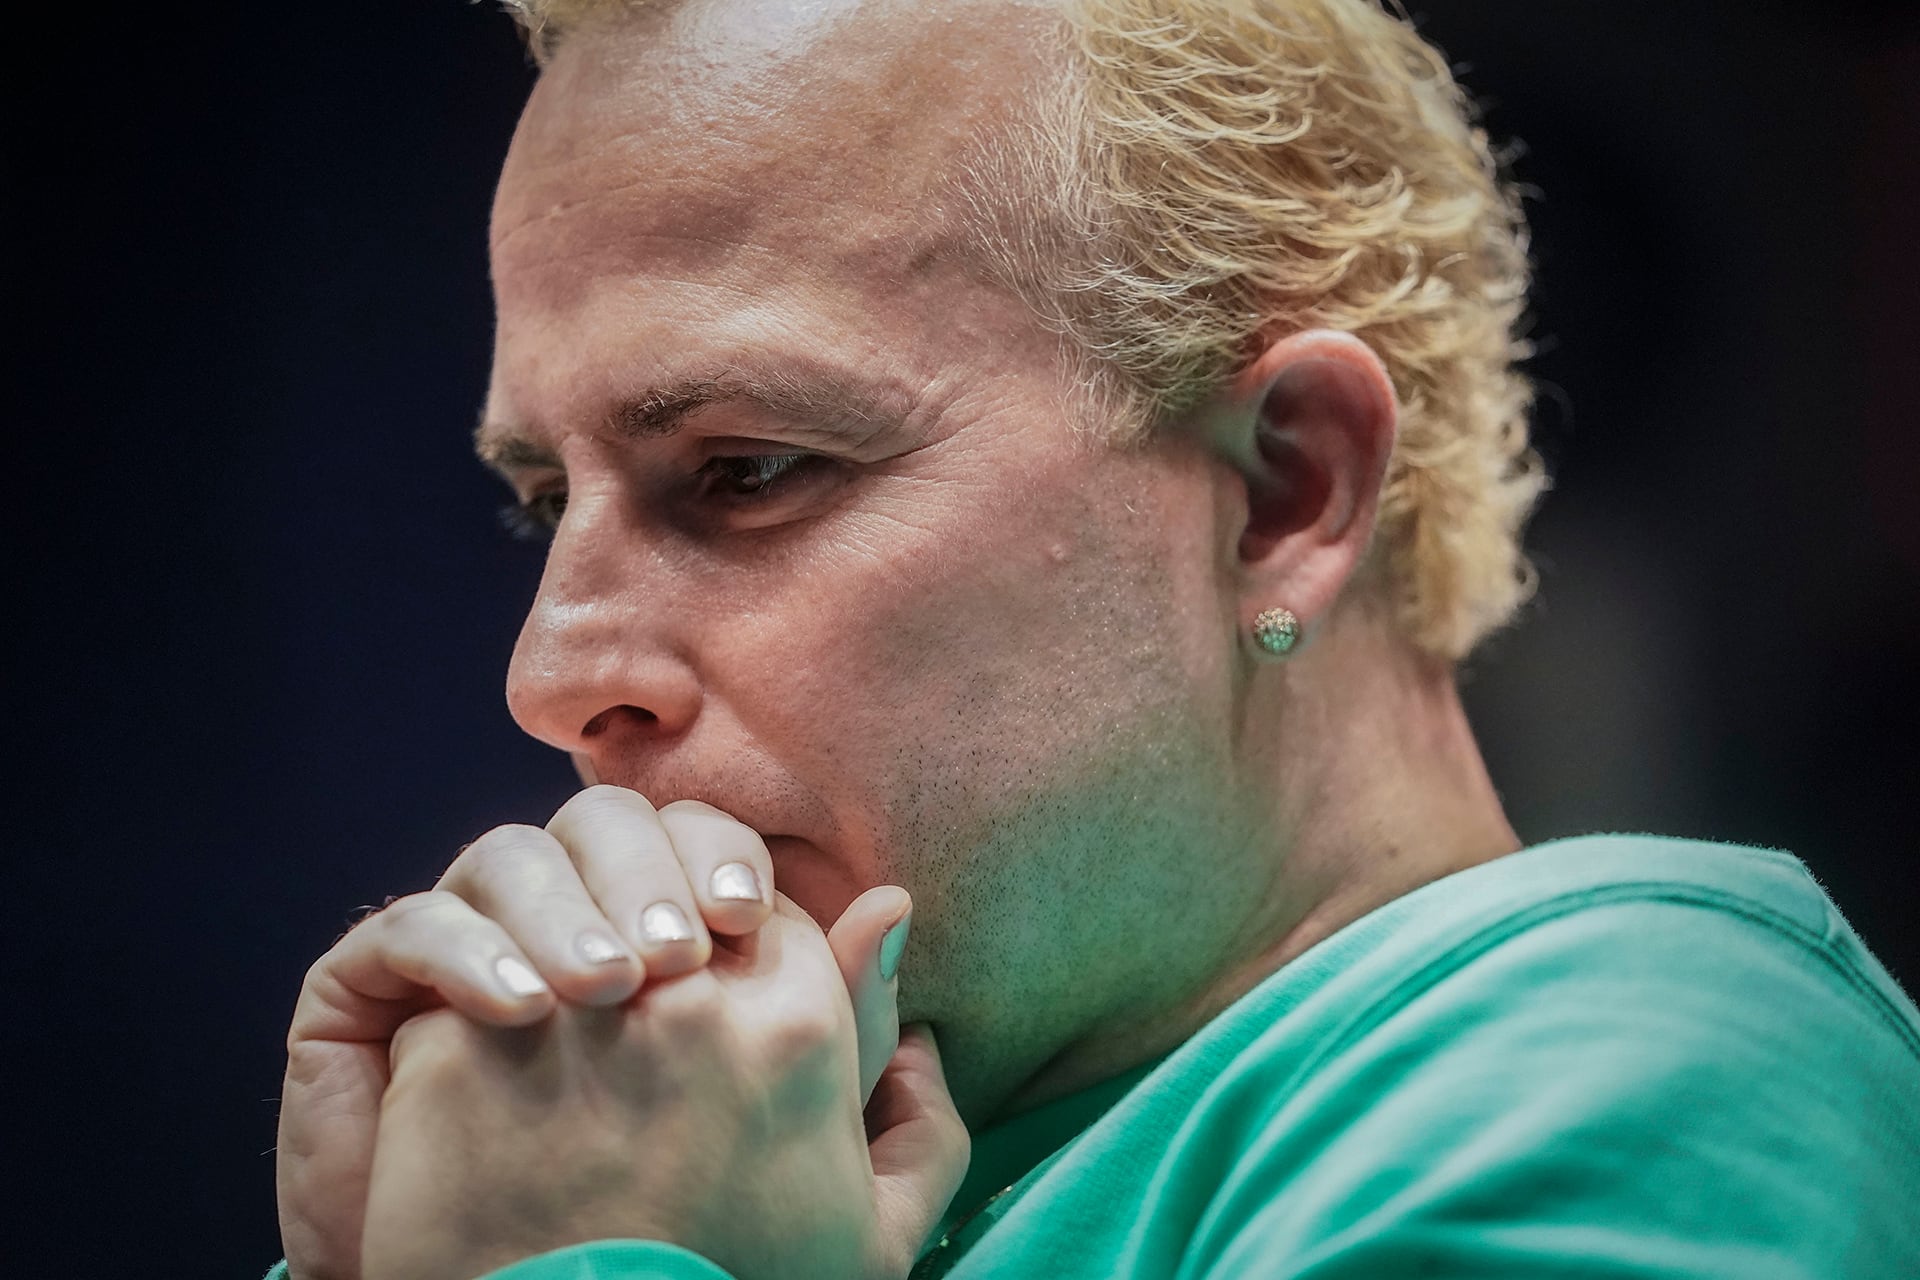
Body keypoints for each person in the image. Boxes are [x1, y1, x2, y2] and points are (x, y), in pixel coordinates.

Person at [266, 0, 1920, 1277]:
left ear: (1286, 489)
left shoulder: (1635, 1062)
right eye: (546, 500)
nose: (550, 676)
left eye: (748, 470)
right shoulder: (672, 1141)